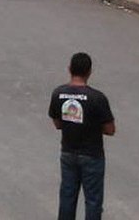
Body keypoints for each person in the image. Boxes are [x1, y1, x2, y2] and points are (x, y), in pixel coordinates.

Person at [49, 52, 115, 220]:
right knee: (93, 200)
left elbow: (57, 123)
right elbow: (110, 129)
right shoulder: (97, 98)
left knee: (67, 197)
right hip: (92, 154)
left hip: (68, 153)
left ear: (69, 69)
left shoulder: (58, 94)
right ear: (89, 72)